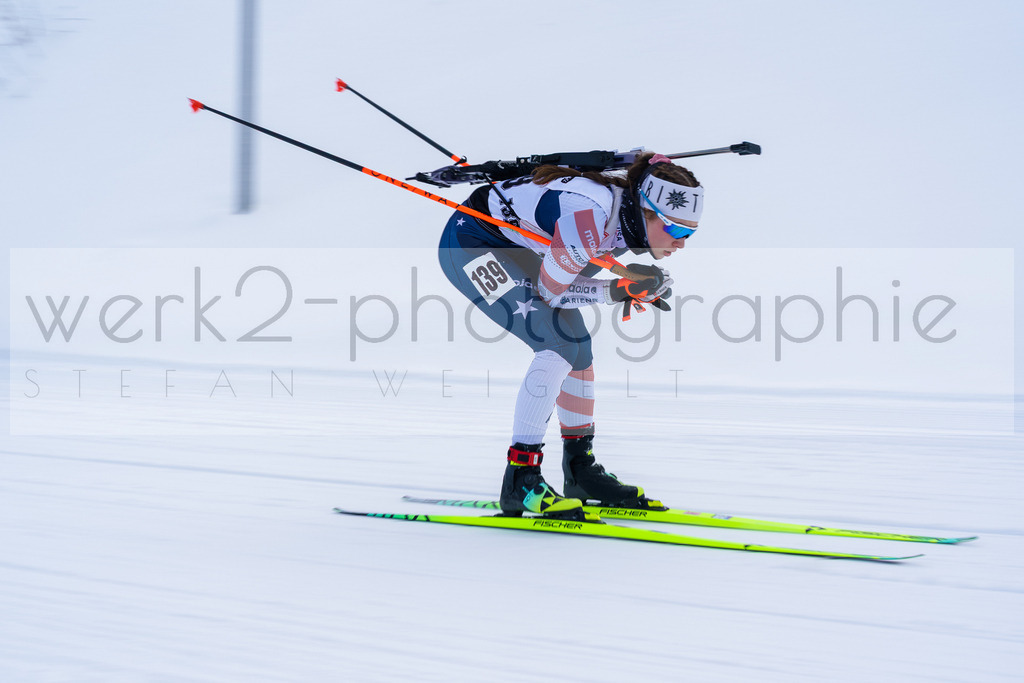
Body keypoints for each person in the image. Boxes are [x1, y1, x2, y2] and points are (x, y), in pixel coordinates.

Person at [438, 152, 702, 519]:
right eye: (675, 229)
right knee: (558, 344)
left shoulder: (625, 215)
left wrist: (627, 278)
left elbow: (586, 261)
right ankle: (521, 478)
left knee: (578, 347)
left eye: (690, 232)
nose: (682, 243)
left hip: (516, 243)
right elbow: (553, 292)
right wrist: (619, 289)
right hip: (470, 243)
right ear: (645, 211)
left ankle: (580, 471)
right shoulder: (588, 218)